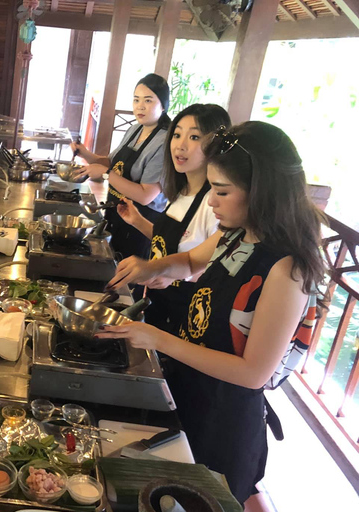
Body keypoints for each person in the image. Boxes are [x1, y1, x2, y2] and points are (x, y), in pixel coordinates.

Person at [98, 121, 323, 504]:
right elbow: (189, 262)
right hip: (188, 393)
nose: (212, 202)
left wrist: (159, 339)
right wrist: (151, 267)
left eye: (221, 191)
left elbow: (253, 373)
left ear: (262, 193)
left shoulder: (287, 269)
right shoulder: (237, 231)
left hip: (224, 422)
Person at [116, 104, 230, 333]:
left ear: (217, 145)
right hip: (156, 305)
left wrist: (173, 275)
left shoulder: (215, 204)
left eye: (194, 136)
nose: (180, 145)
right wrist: (137, 221)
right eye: (177, 134)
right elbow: (173, 244)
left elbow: (216, 269)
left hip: (185, 316)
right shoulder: (180, 192)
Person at [71, 73, 171, 260]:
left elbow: (145, 195)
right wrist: (84, 153)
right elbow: (112, 163)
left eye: (148, 101)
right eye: (136, 100)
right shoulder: (134, 129)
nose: (140, 106)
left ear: (163, 105)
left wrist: (106, 174)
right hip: (116, 212)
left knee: (127, 283)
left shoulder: (164, 142)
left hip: (141, 223)